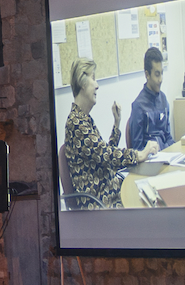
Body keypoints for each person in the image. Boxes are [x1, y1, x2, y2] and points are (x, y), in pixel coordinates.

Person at [63, 59, 156, 206]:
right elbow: (107, 155)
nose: (97, 85)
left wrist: (116, 124)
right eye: (93, 78)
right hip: (101, 203)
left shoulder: (83, 119)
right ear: (82, 82)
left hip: (109, 192)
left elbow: (102, 156)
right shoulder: (76, 123)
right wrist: (139, 154)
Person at [123, 47, 175, 152]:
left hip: (165, 156)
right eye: (157, 74)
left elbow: (168, 137)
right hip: (149, 162)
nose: (160, 79)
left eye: (161, 73)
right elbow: (137, 150)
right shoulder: (139, 106)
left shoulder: (163, 100)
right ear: (147, 74)